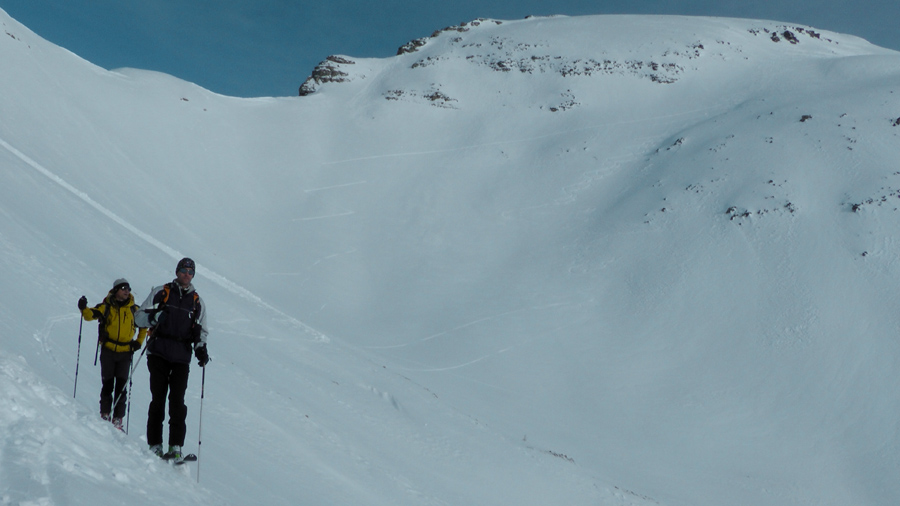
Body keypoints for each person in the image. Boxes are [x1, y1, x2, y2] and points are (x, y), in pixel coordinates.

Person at [136, 257, 209, 462]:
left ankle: (175, 446)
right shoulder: (162, 292)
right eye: (184, 270)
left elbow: (201, 330)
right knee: (158, 399)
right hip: (158, 352)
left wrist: (201, 349)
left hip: (181, 358)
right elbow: (138, 317)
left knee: (177, 402)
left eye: (190, 272)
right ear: (177, 271)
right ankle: (155, 444)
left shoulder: (196, 302)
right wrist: (154, 317)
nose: (187, 274)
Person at [78, 278, 147, 431]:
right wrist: (83, 309)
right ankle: (105, 414)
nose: (126, 291)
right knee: (108, 385)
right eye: (123, 288)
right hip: (108, 351)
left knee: (121, 387)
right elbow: (90, 316)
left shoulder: (134, 310)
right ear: (116, 290)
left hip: (125, 352)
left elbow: (144, 326)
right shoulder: (106, 306)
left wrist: (139, 342)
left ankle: (117, 419)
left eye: (128, 289)